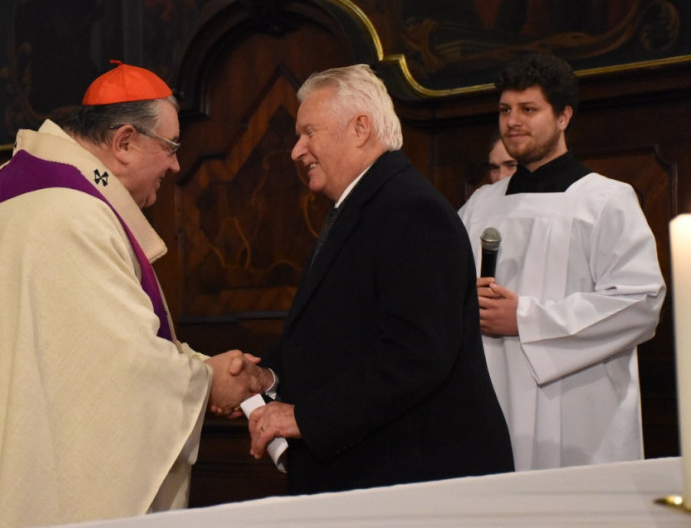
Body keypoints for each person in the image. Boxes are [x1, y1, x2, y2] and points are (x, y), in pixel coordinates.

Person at [0, 62, 269, 528]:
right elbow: (124, 372)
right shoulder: (74, 216)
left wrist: (199, 367)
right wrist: (210, 380)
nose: (175, 165)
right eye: (170, 146)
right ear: (124, 142)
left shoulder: (3, 206)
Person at [247, 64, 514, 495]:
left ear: (360, 128)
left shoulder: (410, 210)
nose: (297, 151)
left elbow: (416, 354)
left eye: (309, 132)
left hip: (415, 480)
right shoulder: (370, 204)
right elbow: (341, 333)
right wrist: (265, 376)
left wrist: (305, 418)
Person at [458, 52, 665, 470]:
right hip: (491, 398)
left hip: (578, 407)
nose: (513, 121)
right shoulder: (481, 204)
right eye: (505, 110)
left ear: (564, 116)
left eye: (528, 109)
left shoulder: (605, 200)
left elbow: (640, 303)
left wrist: (525, 319)